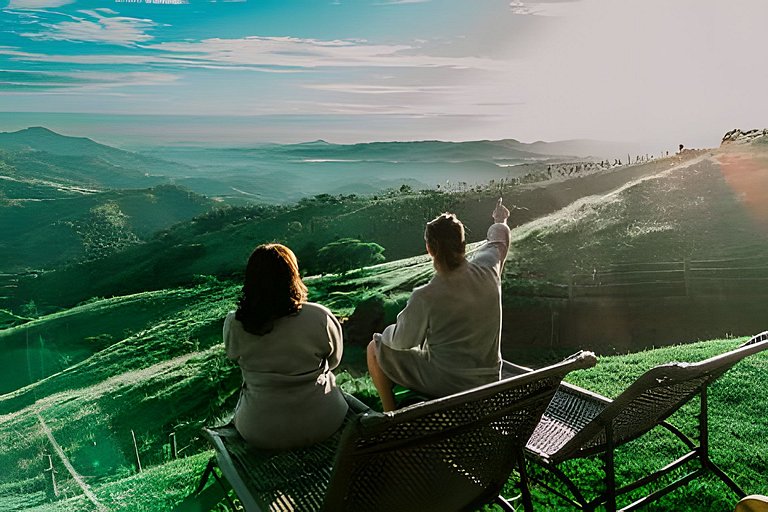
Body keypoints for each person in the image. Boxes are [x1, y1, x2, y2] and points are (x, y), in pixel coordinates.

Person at [367, 198, 511, 411]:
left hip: (446, 383)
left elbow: (401, 341)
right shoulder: (488, 269)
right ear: (463, 243)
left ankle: (389, 414)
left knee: (374, 348)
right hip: (488, 378)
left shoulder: (426, 296)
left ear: (429, 249)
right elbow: (499, 241)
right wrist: (501, 219)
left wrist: (386, 333)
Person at [223, 243, 348, 450]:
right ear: (293, 276)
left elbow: (233, 356)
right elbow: (334, 361)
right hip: (324, 421)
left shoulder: (235, 323)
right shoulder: (319, 316)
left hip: (260, 430)